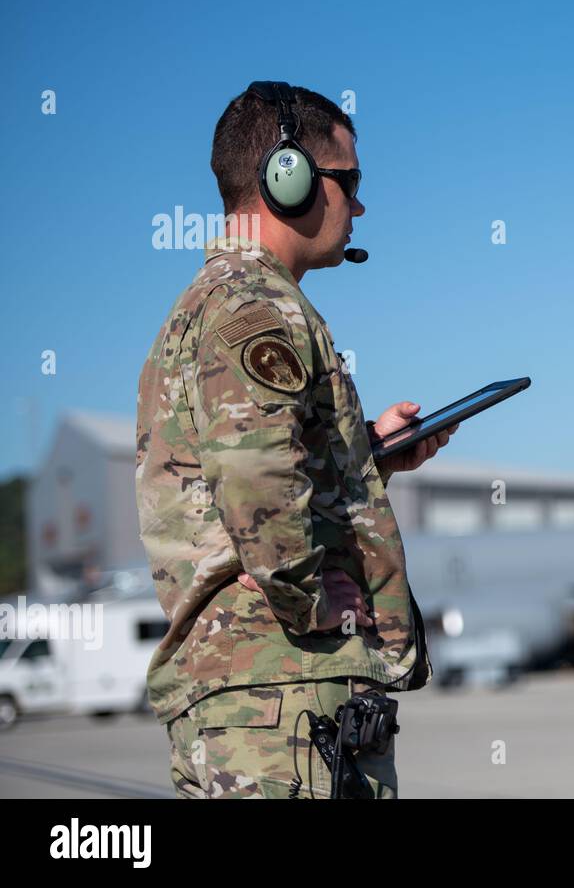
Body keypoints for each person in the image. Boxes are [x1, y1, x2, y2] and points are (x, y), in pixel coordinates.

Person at [135, 81, 452, 798]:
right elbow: (256, 477)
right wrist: (307, 593)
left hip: (256, 700)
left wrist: (366, 453)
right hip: (283, 691)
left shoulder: (217, 303)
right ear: (289, 177)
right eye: (350, 181)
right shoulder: (255, 306)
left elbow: (244, 461)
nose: (360, 205)